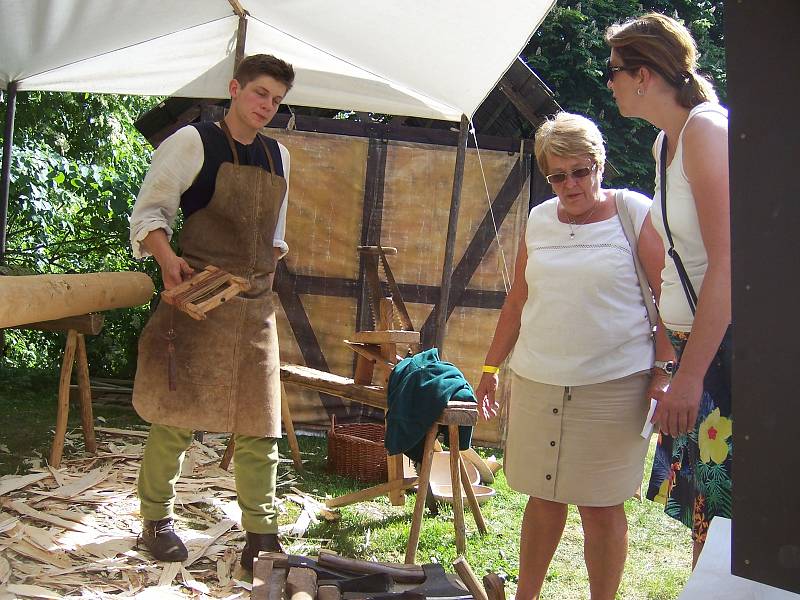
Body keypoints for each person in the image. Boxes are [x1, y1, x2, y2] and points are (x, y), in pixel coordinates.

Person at [476, 112, 674, 600]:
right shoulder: (540, 219)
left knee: (601, 506)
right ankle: (527, 596)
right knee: (542, 499)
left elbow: (669, 297)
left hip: (613, 383)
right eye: (557, 175)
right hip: (538, 380)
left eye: (579, 171)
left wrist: (664, 371)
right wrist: (488, 368)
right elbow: (518, 299)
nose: (569, 184)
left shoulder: (633, 212)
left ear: (598, 165)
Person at [128, 54, 295, 569]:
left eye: (276, 99)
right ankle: (156, 520)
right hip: (199, 299)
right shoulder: (193, 142)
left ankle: (261, 537)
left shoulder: (278, 157)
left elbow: (275, 238)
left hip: (255, 307)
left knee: (260, 425)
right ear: (235, 88)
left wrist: (265, 270)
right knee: (175, 419)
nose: (267, 105)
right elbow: (151, 211)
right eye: (260, 93)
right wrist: (167, 259)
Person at [605, 13, 731, 566]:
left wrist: (693, 375)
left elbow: (732, 264)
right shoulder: (666, 144)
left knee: (731, 518)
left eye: (613, 71)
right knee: (708, 513)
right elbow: (659, 246)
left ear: (643, 75)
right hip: (695, 350)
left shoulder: (707, 131)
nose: (607, 82)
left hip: (728, 358)